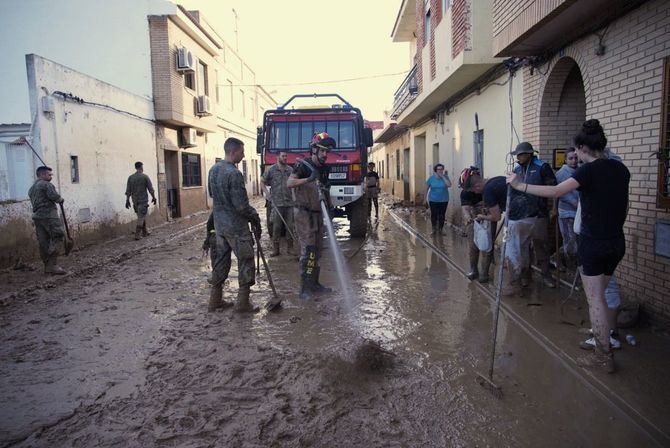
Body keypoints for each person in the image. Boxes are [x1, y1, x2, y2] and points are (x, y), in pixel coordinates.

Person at [507, 119, 630, 373]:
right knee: (602, 296)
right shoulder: (621, 170)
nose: (574, 155)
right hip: (617, 242)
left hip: (593, 244)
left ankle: (602, 356)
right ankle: (604, 335)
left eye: (576, 150)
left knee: (595, 299)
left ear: (584, 148)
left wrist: (520, 185)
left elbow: (556, 192)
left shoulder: (586, 171)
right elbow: (624, 207)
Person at [207, 137, 262, 313]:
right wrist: (254, 216)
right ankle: (243, 303)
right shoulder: (234, 174)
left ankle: (215, 300)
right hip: (236, 228)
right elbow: (241, 206)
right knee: (246, 261)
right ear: (233, 152)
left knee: (221, 261)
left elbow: (212, 195)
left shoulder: (213, 170)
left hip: (220, 226)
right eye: (242, 151)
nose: (243, 155)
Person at [287, 132, 334, 300]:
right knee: (308, 250)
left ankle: (315, 284)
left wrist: (330, 208)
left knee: (318, 251)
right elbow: (289, 183)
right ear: (314, 150)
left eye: (327, 151)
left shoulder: (324, 169)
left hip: (317, 213)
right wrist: (307, 179)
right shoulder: (302, 166)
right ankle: (305, 288)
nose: (325, 155)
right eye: (322, 151)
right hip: (303, 213)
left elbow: (325, 190)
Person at [506, 142, 557, 293]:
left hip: (539, 213)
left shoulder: (542, 167)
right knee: (522, 247)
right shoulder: (516, 169)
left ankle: (546, 275)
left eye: (520, 155)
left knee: (541, 245)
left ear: (528, 154)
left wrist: (554, 208)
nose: (518, 158)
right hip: (522, 215)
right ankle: (525, 275)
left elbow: (553, 188)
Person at [465, 173, 507, 283]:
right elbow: (464, 209)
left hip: (492, 217)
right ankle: (474, 270)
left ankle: (485, 274)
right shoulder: (496, 180)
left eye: (474, 190)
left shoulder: (488, 190)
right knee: (474, 246)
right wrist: (469, 217)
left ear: (477, 185)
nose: (474, 193)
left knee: (488, 245)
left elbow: (496, 216)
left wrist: (483, 216)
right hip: (475, 219)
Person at [28, 166, 67, 275]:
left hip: (37, 217)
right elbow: (55, 197)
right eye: (49, 175)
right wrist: (60, 199)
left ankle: (47, 266)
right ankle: (53, 264)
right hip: (49, 216)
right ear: (42, 174)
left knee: (43, 241)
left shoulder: (31, 188)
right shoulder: (46, 184)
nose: (51, 177)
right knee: (58, 236)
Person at [261, 150, 295, 257]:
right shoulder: (271, 170)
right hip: (276, 203)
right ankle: (276, 250)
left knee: (290, 226)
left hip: (289, 203)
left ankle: (290, 248)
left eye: (286, 156)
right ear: (278, 157)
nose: (285, 158)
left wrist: (295, 197)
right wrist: (267, 193)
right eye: (283, 156)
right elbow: (262, 181)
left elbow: (294, 184)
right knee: (276, 228)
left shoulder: (290, 170)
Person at [555, 148, 579, 271]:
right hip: (566, 212)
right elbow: (559, 191)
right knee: (569, 241)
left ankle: (559, 259)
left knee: (575, 241)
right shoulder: (561, 174)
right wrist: (574, 201)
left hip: (578, 212)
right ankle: (570, 267)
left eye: (575, 158)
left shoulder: (580, 170)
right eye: (570, 158)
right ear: (565, 160)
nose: (574, 161)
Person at [125, 161, 157, 240]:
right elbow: (151, 189)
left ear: (135, 168)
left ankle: (145, 231)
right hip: (143, 200)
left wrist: (127, 200)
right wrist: (154, 197)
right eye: (142, 167)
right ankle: (137, 235)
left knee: (141, 216)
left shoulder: (130, 177)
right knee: (141, 217)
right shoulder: (145, 177)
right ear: (141, 167)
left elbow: (128, 190)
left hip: (135, 201)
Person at [425, 163, 452, 235]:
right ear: (435, 171)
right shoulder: (431, 179)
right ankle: (434, 229)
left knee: (442, 215)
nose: (440, 171)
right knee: (434, 215)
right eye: (439, 169)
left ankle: (441, 229)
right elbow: (426, 189)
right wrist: (425, 199)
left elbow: (449, 185)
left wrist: (443, 177)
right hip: (433, 200)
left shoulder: (445, 177)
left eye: (441, 169)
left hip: (444, 200)